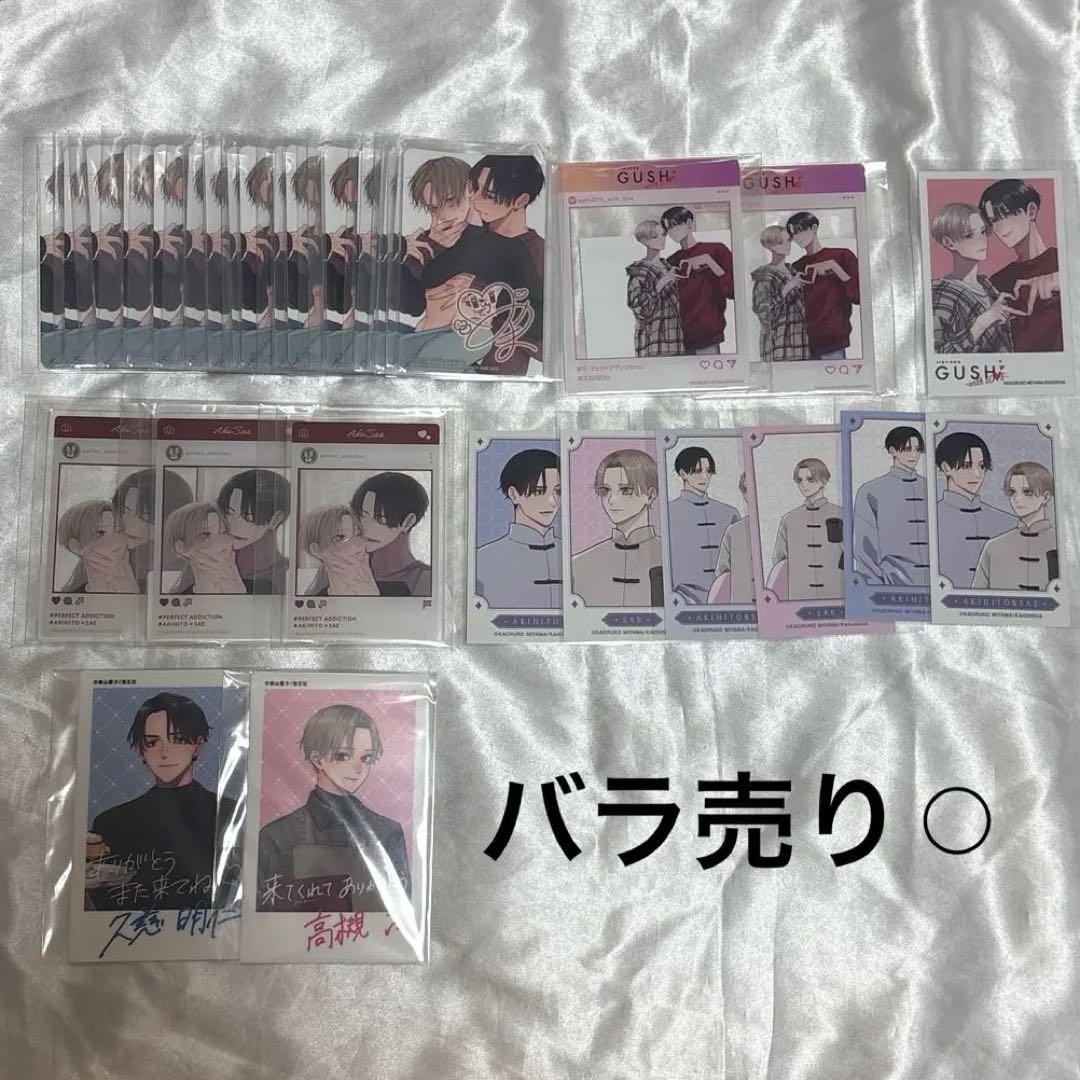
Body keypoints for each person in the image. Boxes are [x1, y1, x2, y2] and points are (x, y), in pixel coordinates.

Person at [86, 692, 235, 911]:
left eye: (177, 739)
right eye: (153, 742)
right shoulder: (111, 822)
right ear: (141, 750)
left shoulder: (230, 813)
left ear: (197, 745)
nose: (165, 753)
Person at [257, 703, 410, 913]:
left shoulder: (387, 832)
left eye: (366, 758)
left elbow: (401, 913)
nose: (358, 769)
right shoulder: (277, 836)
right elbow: (265, 916)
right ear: (317, 758)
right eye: (343, 755)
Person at [571, 448, 663, 607]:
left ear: (650, 495)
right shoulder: (578, 565)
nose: (611, 500)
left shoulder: (669, 558)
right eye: (605, 490)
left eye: (625, 490)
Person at [981, 178, 1062, 352]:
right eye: (994, 220)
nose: (999, 227)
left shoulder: (1065, 262)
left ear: (1031, 211)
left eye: (1007, 214)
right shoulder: (997, 282)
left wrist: (1057, 280)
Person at [476, 448, 562, 609]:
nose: (552, 501)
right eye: (539, 491)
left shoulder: (573, 559)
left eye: (558, 491)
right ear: (514, 494)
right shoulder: (481, 561)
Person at [851, 426, 931, 586]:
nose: (914, 455)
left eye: (917, 449)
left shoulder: (931, 487)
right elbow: (864, 550)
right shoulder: (870, 491)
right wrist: (876, 586)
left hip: (933, 584)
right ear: (893, 450)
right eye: (907, 449)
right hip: (891, 585)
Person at [933, 431, 1013, 589]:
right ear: (946, 468)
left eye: (982, 466)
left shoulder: (1008, 523)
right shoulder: (929, 520)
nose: (977, 474)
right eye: (966, 466)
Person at [929, 202, 1012, 354]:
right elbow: (939, 354)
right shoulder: (940, 292)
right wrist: (982, 322)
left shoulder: (987, 286)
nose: (982, 240)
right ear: (949, 243)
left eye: (982, 231)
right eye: (969, 235)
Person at [666, 447, 738, 604]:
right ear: (683, 473)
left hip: (727, 597)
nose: (705, 477)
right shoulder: (667, 513)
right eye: (697, 471)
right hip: (682, 600)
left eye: (708, 471)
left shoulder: (729, 513)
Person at [972, 462, 1058, 591]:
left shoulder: (1061, 544)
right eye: (1012, 492)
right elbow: (975, 596)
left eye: (1027, 491)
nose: (1017, 499)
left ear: (1046, 497)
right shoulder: (993, 548)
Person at [785, 211, 859, 361]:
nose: (796, 238)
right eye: (792, 234)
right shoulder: (796, 267)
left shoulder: (842, 256)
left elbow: (858, 296)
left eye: (799, 231)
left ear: (814, 228)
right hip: (803, 344)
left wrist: (835, 268)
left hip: (833, 342)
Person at [661, 206, 735, 354]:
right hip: (677, 338)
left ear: (689, 222)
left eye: (674, 225)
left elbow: (733, 292)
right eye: (667, 229)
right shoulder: (671, 261)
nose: (671, 232)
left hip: (707, 336)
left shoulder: (717, 250)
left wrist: (711, 263)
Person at [769, 458, 843, 601]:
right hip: (799, 596)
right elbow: (779, 560)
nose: (804, 484)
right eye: (800, 480)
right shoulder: (789, 519)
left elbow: (854, 554)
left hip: (837, 593)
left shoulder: (841, 514)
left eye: (810, 479)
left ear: (823, 480)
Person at [111, 468, 194, 593]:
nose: (127, 523)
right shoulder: (108, 559)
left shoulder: (189, 571)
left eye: (143, 515)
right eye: (123, 511)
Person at [349, 473, 431, 597]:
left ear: (408, 522)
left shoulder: (426, 580)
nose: (365, 526)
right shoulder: (338, 565)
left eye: (379, 518)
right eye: (362, 515)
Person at [216, 469, 291, 595]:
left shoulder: (287, 575)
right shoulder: (205, 560)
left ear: (275, 519)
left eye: (247, 517)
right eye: (228, 513)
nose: (232, 525)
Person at [751, 224, 810, 363]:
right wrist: (788, 287)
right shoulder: (765, 275)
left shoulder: (793, 272)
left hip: (801, 343)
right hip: (779, 345)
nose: (787, 244)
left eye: (788, 240)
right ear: (770, 246)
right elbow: (764, 313)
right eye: (780, 242)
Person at [625, 219, 684, 357]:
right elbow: (637, 304)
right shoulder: (640, 270)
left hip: (675, 335)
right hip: (653, 337)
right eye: (655, 236)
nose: (662, 239)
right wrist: (664, 281)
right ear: (644, 241)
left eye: (663, 235)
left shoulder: (668, 266)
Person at [56, 499, 138, 594]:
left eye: (119, 530)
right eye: (100, 533)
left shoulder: (146, 584)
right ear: (76, 547)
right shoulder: (71, 597)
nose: (116, 542)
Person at [164, 501, 246, 595]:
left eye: (224, 532)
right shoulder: (177, 600)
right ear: (181, 548)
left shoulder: (250, 583)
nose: (220, 542)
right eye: (205, 535)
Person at [299, 504, 379, 597]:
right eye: (340, 537)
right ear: (317, 550)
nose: (354, 544)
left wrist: (372, 595)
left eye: (358, 534)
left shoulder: (388, 590)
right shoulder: (313, 602)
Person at [709, 473, 756, 605]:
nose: (751, 494)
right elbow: (722, 573)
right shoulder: (733, 531)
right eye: (746, 490)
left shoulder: (778, 525)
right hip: (741, 605)